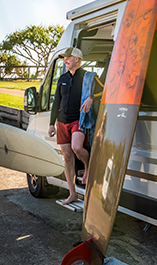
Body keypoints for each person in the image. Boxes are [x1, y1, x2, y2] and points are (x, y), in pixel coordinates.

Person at [48, 47, 94, 205]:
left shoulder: (88, 77)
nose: (65, 60)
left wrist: (91, 98)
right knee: (67, 158)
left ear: (77, 60)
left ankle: (88, 166)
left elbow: (106, 90)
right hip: (62, 121)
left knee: (77, 148)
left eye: (68, 57)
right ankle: (72, 193)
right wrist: (51, 124)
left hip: (78, 120)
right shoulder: (62, 78)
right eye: (64, 58)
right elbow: (56, 102)